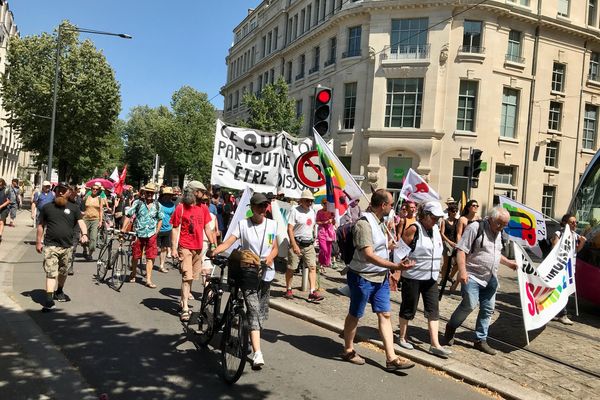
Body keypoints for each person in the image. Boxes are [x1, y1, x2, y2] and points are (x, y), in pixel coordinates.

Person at [341, 189, 415, 371]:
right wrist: (395, 267)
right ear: (383, 205)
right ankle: (348, 349)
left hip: (380, 277)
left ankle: (391, 358)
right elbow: (368, 255)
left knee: (385, 314)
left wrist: (392, 246)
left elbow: (378, 247)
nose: (393, 208)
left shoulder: (380, 222)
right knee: (355, 314)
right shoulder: (364, 224)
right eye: (391, 204)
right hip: (363, 277)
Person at [212, 192, 278, 369]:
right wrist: (215, 251)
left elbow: (275, 248)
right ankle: (257, 352)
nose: (263, 209)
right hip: (248, 271)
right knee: (253, 309)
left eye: (265, 206)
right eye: (259, 206)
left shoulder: (272, 225)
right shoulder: (243, 225)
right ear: (252, 208)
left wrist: (270, 258)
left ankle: (250, 334)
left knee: (261, 312)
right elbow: (229, 243)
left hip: (265, 273)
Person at [444, 206, 517, 355]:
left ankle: (480, 340)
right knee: (469, 304)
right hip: (472, 276)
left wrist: (509, 263)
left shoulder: (499, 232)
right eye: (499, 223)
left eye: (504, 225)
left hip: (491, 278)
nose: (501, 227)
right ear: (491, 218)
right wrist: (462, 272)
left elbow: (494, 254)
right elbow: (461, 250)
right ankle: (451, 327)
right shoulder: (475, 228)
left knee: (488, 309)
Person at [397, 202, 451, 358]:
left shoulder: (435, 229)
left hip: (431, 278)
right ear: (425, 215)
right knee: (409, 307)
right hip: (413, 277)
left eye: (439, 218)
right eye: (434, 217)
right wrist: (398, 268)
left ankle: (435, 344)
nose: (437, 221)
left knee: (433, 310)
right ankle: (402, 336)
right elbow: (400, 251)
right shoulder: (414, 228)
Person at [36, 183, 89, 311]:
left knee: (63, 271)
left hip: (67, 247)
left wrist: (85, 234)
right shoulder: (47, 207)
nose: (60, 192)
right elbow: (41, 225)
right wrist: (39, 241)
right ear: (56, 191)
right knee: (51, 272)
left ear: (69, 193)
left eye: (63, 190)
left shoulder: (74, 208)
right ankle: (49, 300)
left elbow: (81, 222)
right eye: (58, 190)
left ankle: (59, 291)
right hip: (51, 246)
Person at [170, 181, 216, 320]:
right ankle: (185, 308)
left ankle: (182, 300)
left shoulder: (203, 208)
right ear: (195, 192)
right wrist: (173, 248)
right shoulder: (181, 208)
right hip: (185, 246)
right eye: (202, 191)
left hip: (198, 248)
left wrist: (213, 245)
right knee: (187, 276)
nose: (204, 194)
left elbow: (208, 228)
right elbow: (175, 228)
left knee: (191, 278)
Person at [284, 189, 324, 302]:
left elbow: (313, 226)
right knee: (292, 268)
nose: (309, 203)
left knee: (312, 267)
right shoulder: (295, 211)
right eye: (307, 200)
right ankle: (288, 288)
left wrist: (314, 238)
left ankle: (312, 292)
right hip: (297, 243)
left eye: (311, 201)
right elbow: (290, 229)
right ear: (301, 201)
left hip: (309, 244)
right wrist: (294, 244)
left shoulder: (312, 212)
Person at [122, 183, 164, 288]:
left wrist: (157, 232)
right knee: (136, 255)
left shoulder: (158, 205)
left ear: (154, 194)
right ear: (144, 193)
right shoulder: (138, 203)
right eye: (148, 192)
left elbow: (160, 219)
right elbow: (128, 215)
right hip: (138, 234)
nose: (150, 194)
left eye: (152, 193)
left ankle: (148, 279)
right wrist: (123, 228)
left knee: (150, 257)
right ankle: (133, 273)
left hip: (151, 235)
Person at [550, 213, 586, 325]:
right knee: (562, 290)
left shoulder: (575, 235)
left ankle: (557, 312)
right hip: (560, 267)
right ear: (565, 223)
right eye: (572, 222)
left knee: (564, 290)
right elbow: (554, 249)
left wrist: (582, 243)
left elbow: (576, 251)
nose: (575, 224)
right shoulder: (559, 233)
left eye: (576, 222)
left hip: (571, 266)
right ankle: (562, 314)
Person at [389, 200, 416, 291]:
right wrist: (400, 244)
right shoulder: (403, 220)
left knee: (409, 264)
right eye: (411, 207)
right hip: (403, 245)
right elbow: (399, 233)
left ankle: (404, 281)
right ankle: (396, 281)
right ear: (407, 209)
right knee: (401, 264)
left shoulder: (416, 220)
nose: (413, 209)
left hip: (412, 246)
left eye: (414, 207)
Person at [81, 182, 105, 261]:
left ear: (98, 190)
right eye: (93, 189)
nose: (95, 190)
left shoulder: (99, 198)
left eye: (96, 189)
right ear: (91, 189)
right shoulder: (87, 197)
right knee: (83, 237)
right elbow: (81, 205)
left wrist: (101, 221)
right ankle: (84, 249)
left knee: (93, 238)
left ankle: (90, 254)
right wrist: (81, 213)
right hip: (86, 219)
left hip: (95, 219)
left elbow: (101, 210)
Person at [440, 203, 459, 287]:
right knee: (446, 263)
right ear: (450, 212)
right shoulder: (444, 221)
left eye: (456, 211)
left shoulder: (457, 221)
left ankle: (450, 276)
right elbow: (442, 233)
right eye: (453, 211)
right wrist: (449, 242)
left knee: (458, 262)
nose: (455, 212)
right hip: (446, 243)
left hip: (455, 243)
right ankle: (443, 279)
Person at [158, 186, 176, 273]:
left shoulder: (172, 205)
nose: (168, 196)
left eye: (170, 195)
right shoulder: (158, 203)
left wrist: (172, 227)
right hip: (157, 228)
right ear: (163, 195)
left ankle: (161, 265)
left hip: (167, 229)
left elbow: (173, 217)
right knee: (153, 248)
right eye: (167, 195)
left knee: (164, 248)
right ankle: (148, 262)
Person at [316, 198, 336, 271]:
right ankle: (321, 262)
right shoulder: (319, 212)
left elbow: (334, 223)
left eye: (327, 204)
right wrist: (325, 222)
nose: (326, 205)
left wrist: (332, 220)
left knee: (329, 249)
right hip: (322, 232)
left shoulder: (331, 212)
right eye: (325, 204)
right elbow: (317, 222)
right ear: (322, 204)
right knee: (323, 249)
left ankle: (322, 263)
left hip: (329, 232)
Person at [0, 179, 10, 243]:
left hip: (3, 209)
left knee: (1, 222)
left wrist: (1, 206)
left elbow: (8, 201)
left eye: (0, 185)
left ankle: (0, 235)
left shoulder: (6, 190)